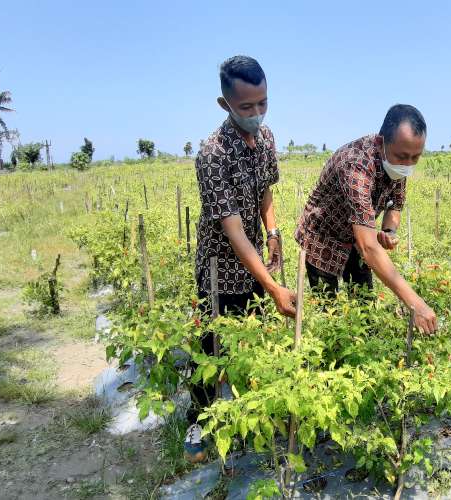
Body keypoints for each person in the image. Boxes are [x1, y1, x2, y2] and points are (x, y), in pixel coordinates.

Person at [186, 55, 296, 463]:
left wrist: (273, 233)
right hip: (220, 266)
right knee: (213, 344)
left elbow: (266, 192)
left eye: (263, 103)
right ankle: (198, 421)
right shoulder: (212, 155)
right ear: (225, 105)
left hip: (254, 261)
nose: (257, 114)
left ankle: (252, 413)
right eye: (246, 107)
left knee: (254, 337)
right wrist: (273, 286)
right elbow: (231, 230)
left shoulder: (266, 138)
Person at [294, 104, 438, 334]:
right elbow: (368, 247)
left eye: (415, 158)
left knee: (364, 308)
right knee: (327, 314)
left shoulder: (398, 164)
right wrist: (415, 303)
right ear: (381, 143)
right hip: (324, 238)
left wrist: (389, 231)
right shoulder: (356, 164)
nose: (407, 165)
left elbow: (395, 205)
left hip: (359, 235)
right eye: (402, 157)